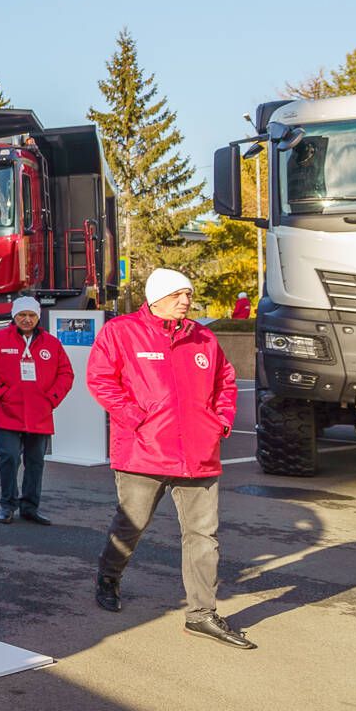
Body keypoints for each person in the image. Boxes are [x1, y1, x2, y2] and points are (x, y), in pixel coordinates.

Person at [86, 267, 253, 649]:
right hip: (143, 451)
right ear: (156, 296)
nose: (186, 300)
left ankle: (201, 614)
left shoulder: (204, 337)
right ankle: (108, 577)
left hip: (198, 453)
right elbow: (100, 379)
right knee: (132, 525)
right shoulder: (121, 332)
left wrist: (220, 422)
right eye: (178, 294)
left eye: (189, 294)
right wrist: (135, 418)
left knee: (202, 535)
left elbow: (225, 382)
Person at [0, 296, 73, 524]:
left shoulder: (52, 344)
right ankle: (7, 505)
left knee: (35, 462)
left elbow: (66, 373)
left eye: (31, 315)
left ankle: (30, 506)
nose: (27, 319)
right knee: (9, 458)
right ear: (14, 316)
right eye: (22, 315)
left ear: (38, 317)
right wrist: (3, 393)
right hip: (7, 413)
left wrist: (51, 399)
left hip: (40, 413)